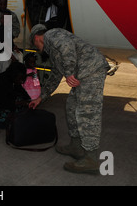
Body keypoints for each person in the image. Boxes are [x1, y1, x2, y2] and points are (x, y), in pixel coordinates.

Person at [29, 24, 110, 174]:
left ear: (36, 38)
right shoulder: (53, 51)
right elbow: (55, 76)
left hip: (91, 71)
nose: (37, 49)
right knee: (71, 106)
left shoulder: (51, 35)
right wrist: (41, 97)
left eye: (35, 46)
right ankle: (76, 146)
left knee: (88, 113)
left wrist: (69, 73)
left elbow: (67, 47)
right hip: (82, 75)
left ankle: (91, 159)